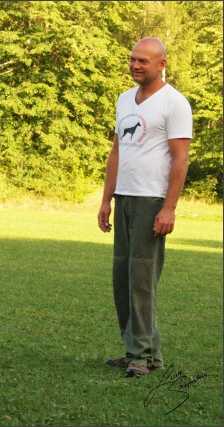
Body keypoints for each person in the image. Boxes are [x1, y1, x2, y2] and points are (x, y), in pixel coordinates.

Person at [97, 37, 193, 377]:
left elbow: (181, 158)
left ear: (162, 64)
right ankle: (140, 352)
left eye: (144, 61)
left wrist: (169, 208)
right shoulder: (125, 100)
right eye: (133, 59)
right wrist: (106, 199)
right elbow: (117, 152)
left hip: (151, 201)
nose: (136, 65)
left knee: (142, 278)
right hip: (124, 198)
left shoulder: (174, 103)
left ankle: (141, 356)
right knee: (122, 277)